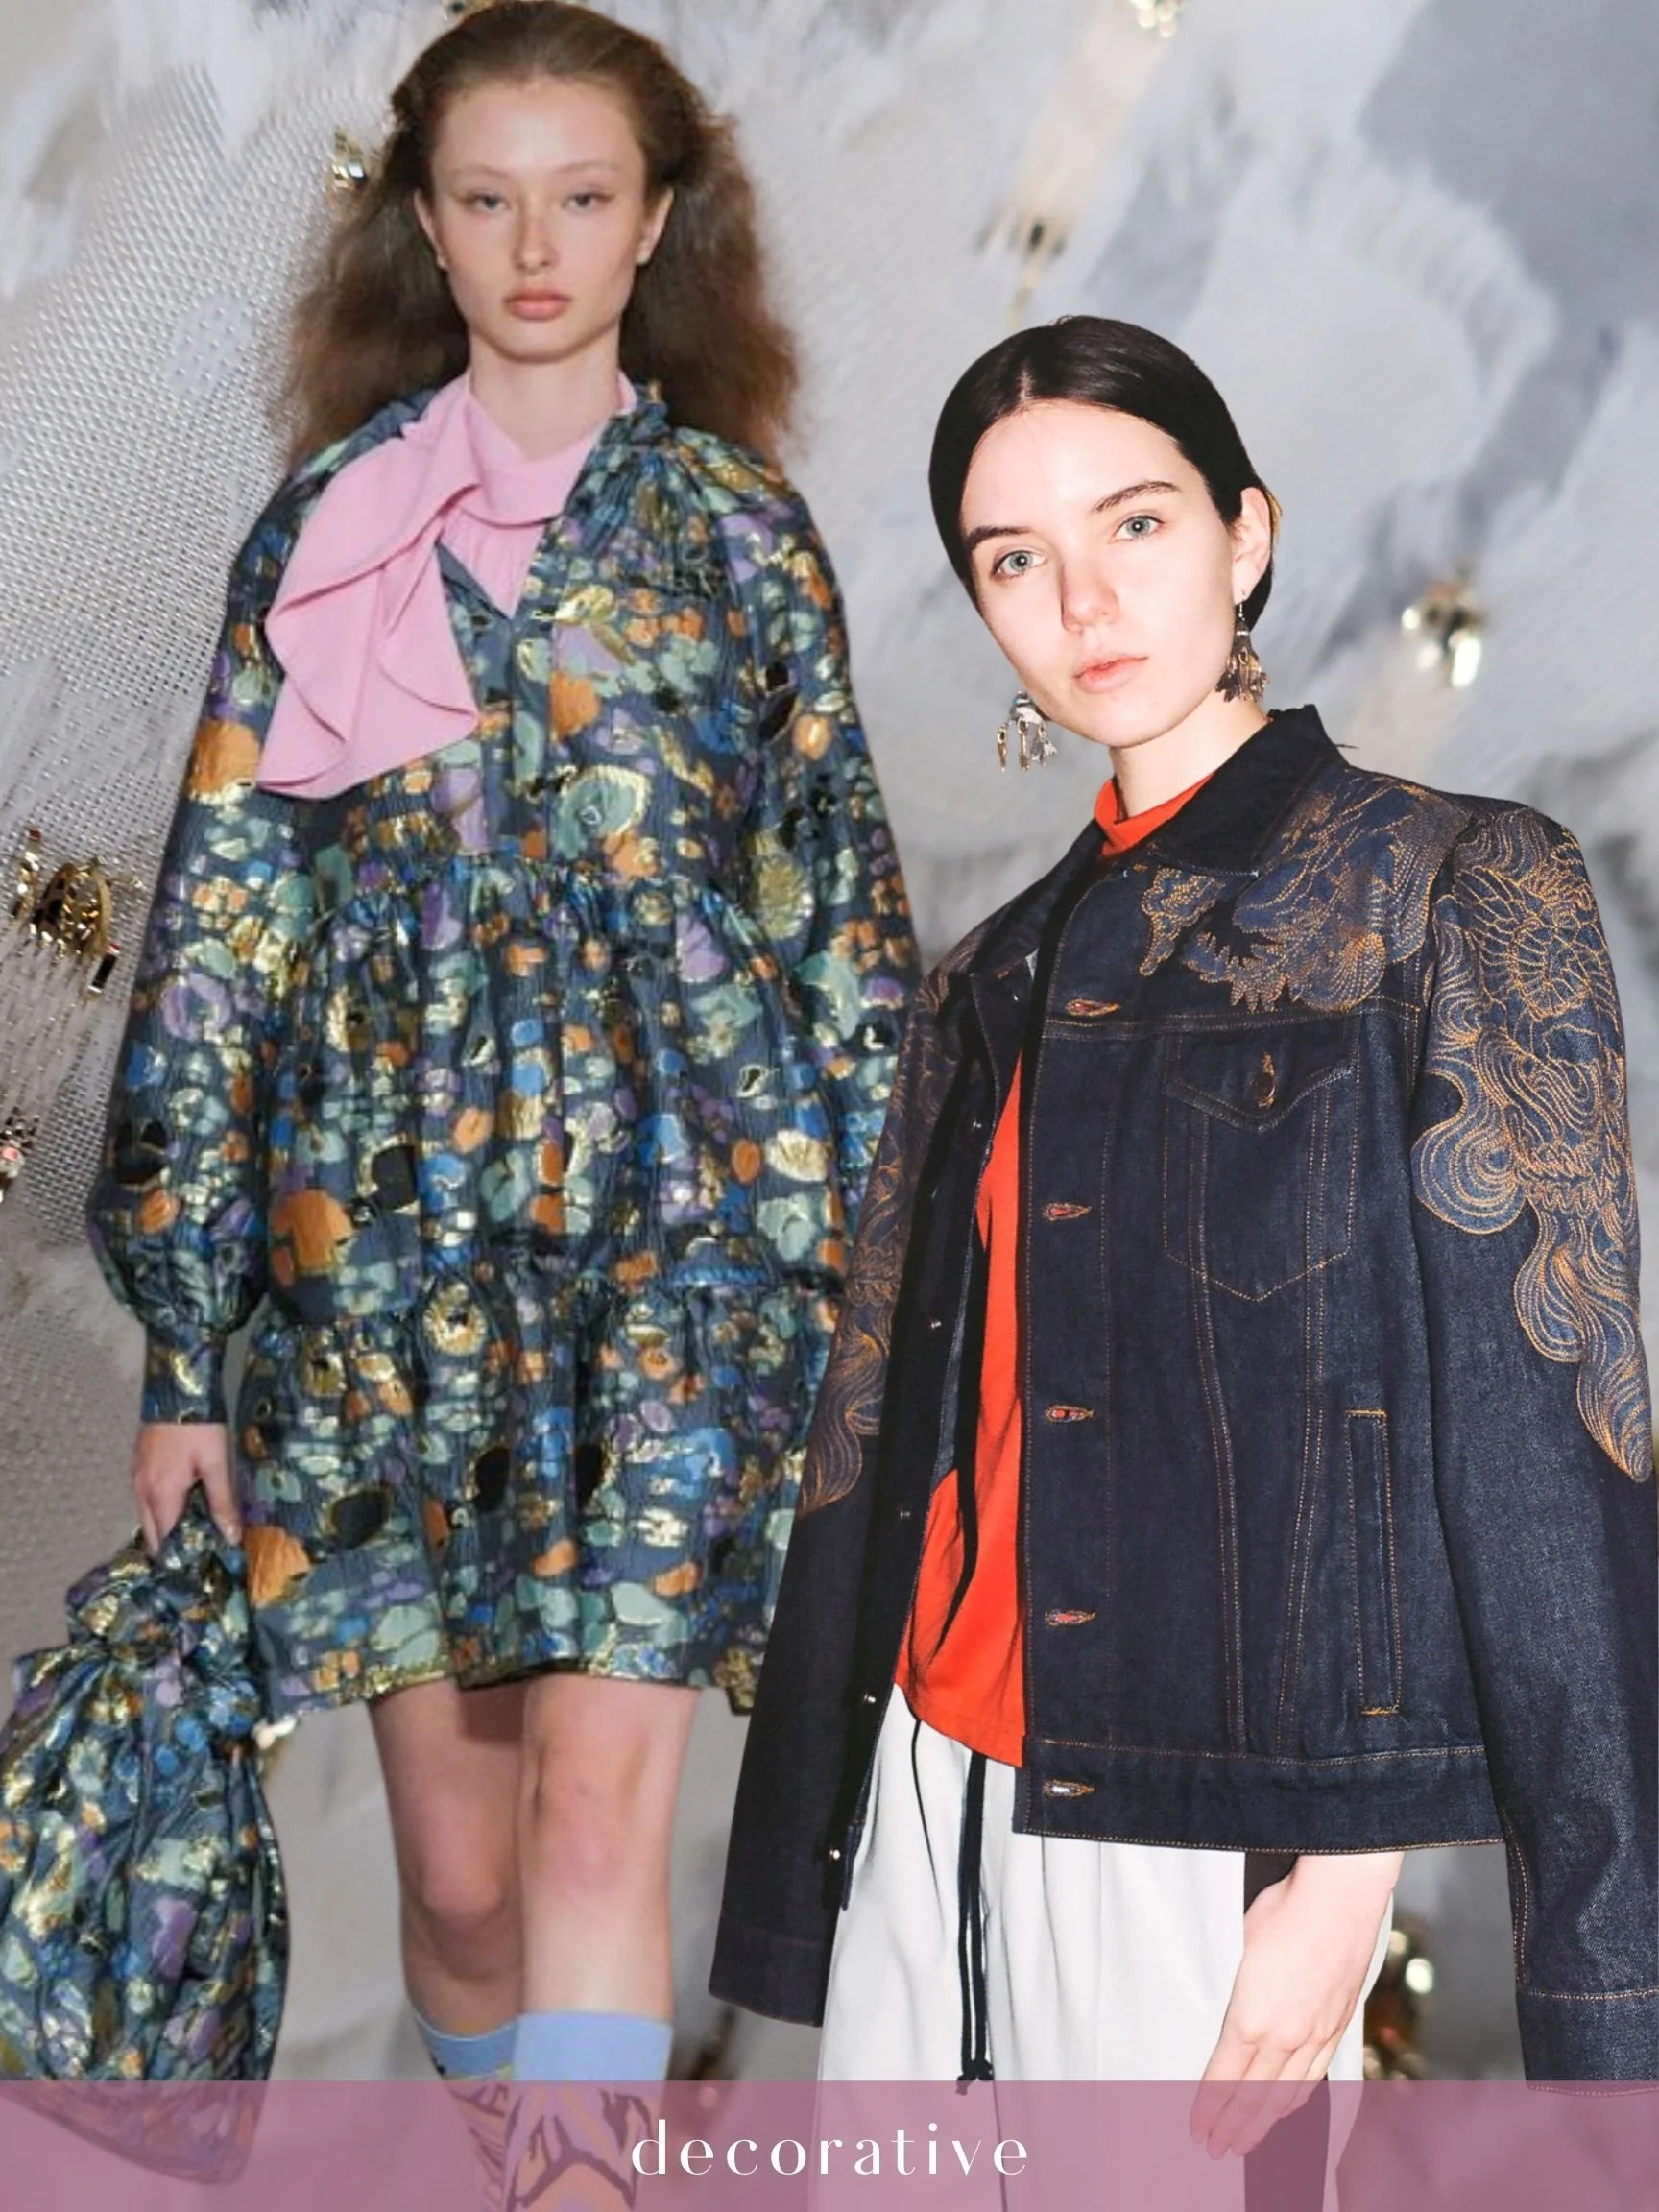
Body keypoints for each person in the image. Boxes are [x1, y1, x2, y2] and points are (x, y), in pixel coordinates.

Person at [86, 0, 917, 2100]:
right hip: (384, 1269)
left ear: (658, 222)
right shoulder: (320, 534)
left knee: (592, 1829)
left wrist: (884, 1311)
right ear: (425, 225)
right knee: (459, 1889)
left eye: (581, 196)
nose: (535, 245)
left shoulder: (740, 539)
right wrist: (187, 1350)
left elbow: (842, 935)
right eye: (486, 198)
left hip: (684, 1259)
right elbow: (221, 936)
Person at [711, 316, 1656, 2110]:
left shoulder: (1446, 885)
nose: (1084, 600)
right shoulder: (986, 978)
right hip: (926, 1789)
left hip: (1210, 1837)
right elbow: (892, 1428)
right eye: (1015, 559)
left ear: (1247, 532)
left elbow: (1545, 1452)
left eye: (1135, 523)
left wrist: (1351, 1873)